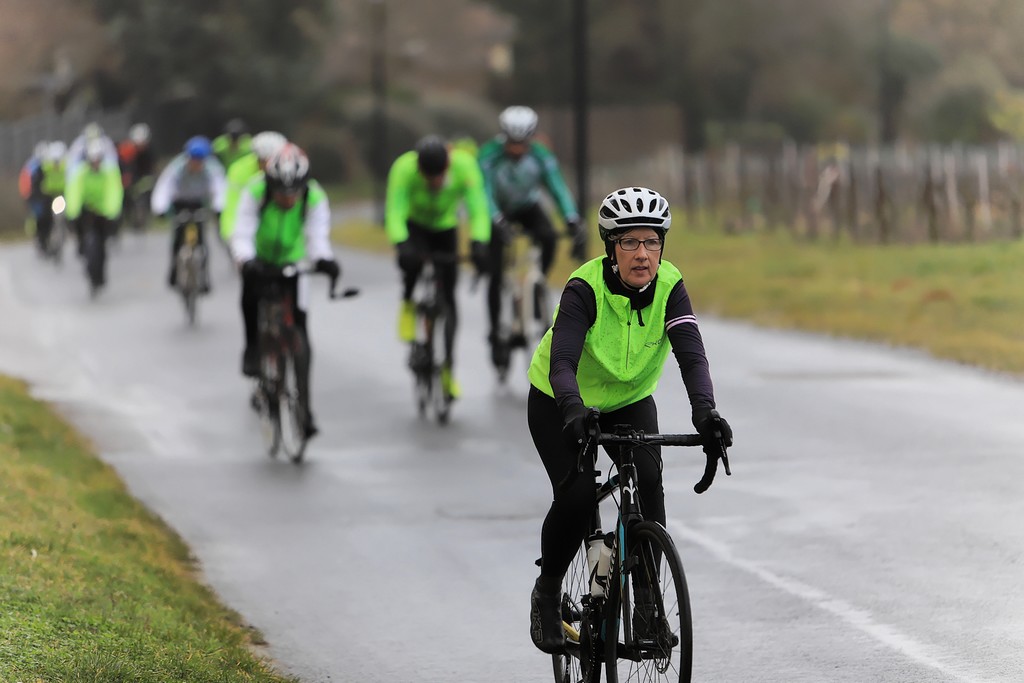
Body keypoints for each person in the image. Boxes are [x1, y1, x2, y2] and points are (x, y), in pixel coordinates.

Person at [524, 186, 733, 654]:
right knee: (578, 495)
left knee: (649, 480)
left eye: (652, 242)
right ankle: (548, 591)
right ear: (611, 247)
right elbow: (562, 361)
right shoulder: (584, 288)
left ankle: (647, 606)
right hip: (560, 399)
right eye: (630, 242)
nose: (643, 254)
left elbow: (692, 357)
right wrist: (572, 408)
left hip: (630, 398)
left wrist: (706, 412)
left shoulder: (670, 286)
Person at [230, 143, 340, 438]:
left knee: (301, 329)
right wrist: (246, 259)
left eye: (294, 193)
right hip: (261, 259)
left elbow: (318, 235)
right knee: (250, 295)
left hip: (293, 261)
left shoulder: (314, 196)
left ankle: (305, 408)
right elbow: (242, 231)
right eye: (281, 193)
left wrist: (324, 260)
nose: (288, 199)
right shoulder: (255, 191)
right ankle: (253, 348)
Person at [478, 105, 587, 366]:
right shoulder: (489, 155)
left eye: (522, 143)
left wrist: (571, 217)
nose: (517, 149)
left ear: (530, 138)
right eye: (512, 143)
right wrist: (495, 218)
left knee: (549, 237)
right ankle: (495, 333)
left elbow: (557, 187)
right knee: (495, 274)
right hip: (498, 209)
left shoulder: (540, 155)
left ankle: (538, 282)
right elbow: (483, 191)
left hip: (528, 207)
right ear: (504, 137)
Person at [385, 134, 491, 400]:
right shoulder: (404, 168)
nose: (434, 182)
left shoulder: (464, 166)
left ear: (447, 166)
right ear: (419, 169)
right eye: (428, 177)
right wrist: (401, 243)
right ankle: (408, 304)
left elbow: (478, 208)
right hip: (416, 226)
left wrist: (479, 241)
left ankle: (448, 371)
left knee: (449, 298)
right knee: (411, 267)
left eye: (439, 176)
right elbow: (395, 210)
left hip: (445, 228)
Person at [151, 135, 227, 293]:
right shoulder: (176, 167)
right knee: (178, 238)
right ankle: (174, 271)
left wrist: (219, 208)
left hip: (199, 202)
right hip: (180, 203)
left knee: (202, 241)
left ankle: (204, 277)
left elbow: (220, 189)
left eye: (200, 160)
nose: (196, 163)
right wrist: (160, 209)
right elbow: (164, 187)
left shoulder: (213, 169)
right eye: (193, 159)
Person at [65, 138, 123, 286]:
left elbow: (114, 192)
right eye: (93, 160)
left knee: (102, 244)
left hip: (103, 213)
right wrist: (73, 212)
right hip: (86, 212)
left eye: (98, 160)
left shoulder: (109, 173)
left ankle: (101, 274)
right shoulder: (80, 173)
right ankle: (81, 247)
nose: (95, 163)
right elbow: (74, 193)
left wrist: (111, 212)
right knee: (81, 233)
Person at [219, 130, 287, 242]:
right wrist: (230, 231)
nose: (268, 165)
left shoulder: (288, 169)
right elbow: (232, 203)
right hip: (247, 222)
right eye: (263, 160)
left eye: (274, 160)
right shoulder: (238, 170)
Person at [117, 123, 157, 229]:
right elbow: (122, 165)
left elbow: (150, 172)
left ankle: (141, 219)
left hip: (143, 182)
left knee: (143, 196)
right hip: (128, 181)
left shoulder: (149, 153)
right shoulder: (126, 150)